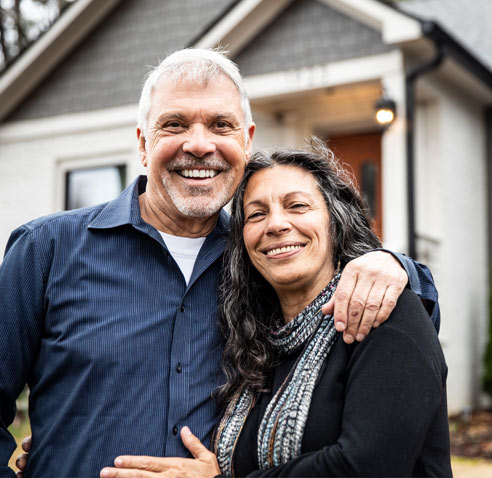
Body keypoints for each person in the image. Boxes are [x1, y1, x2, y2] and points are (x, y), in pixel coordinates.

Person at [1, 49, 438, 478]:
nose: (198, 144)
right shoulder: (46, 250)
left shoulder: (262, 262)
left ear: (246, 142)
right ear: (142, 143)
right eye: (174, 124)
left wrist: (396, 265)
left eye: (220, 125)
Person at [100, 143, 450, 478]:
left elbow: (367, 467)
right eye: (257, 214)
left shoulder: (379, 313)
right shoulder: (259, 348)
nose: (276, 224)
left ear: (334, 221)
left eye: (297, 206)